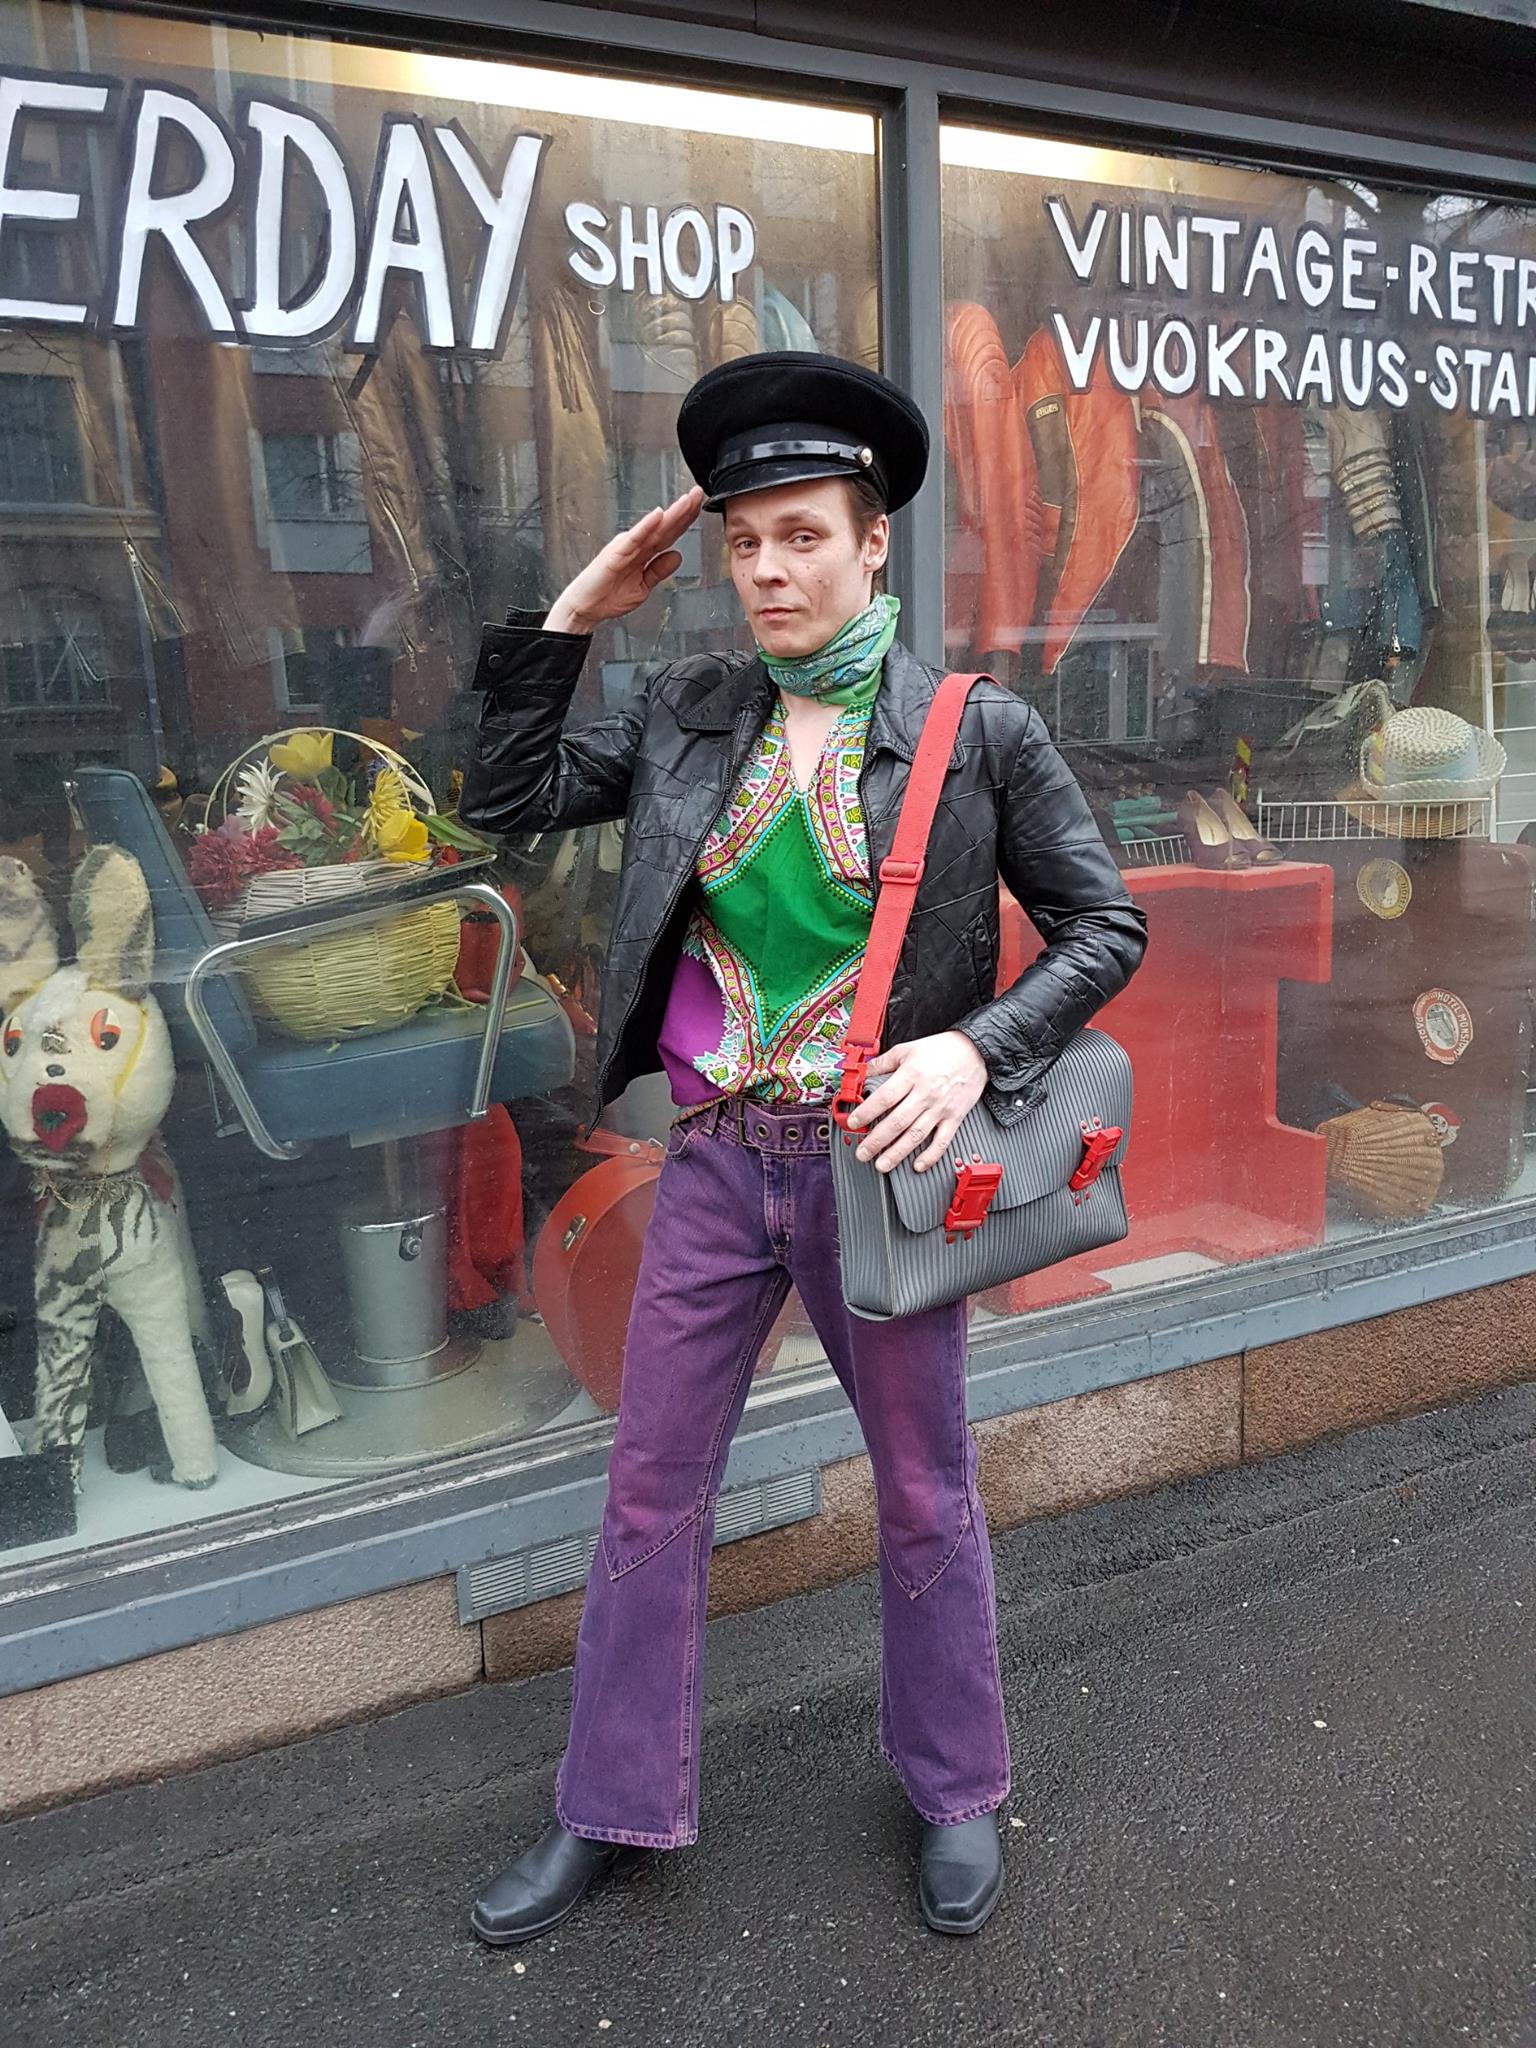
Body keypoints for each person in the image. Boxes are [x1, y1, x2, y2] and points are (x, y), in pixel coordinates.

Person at [459, 353, 1147, 1943]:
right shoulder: (693, 714)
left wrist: (974, 1049)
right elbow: (508, 795)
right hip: (715, 1161)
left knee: (921, 1487)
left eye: (801, 536)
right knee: (646, 1490)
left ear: (874, 541)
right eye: (744, 541)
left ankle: (959, 1788)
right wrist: (578, 616)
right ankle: (609, 1805)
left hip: (879, 1176)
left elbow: (1103, 927)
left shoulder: (978, 734)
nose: (767, 569)